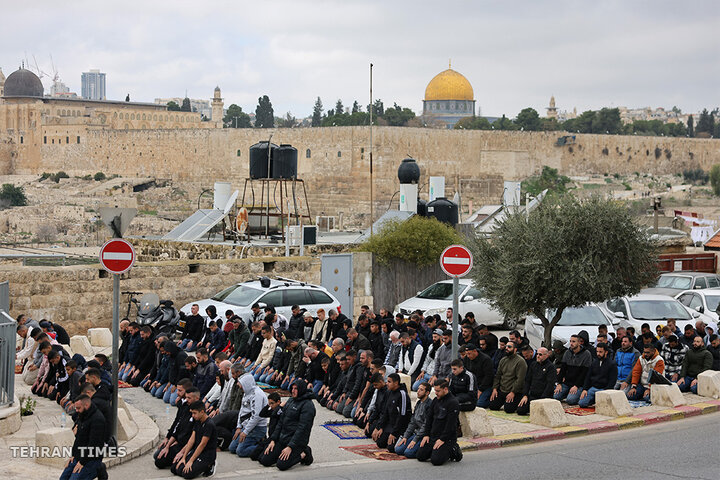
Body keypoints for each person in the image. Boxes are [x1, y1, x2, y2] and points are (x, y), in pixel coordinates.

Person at [258, 380, 316, 470]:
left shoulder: (308, 406)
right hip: (283, 439)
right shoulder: (290, 401)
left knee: (281, 465)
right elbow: (281, 422)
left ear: (301, 389)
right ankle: (284, 453)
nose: (293, 391)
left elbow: (302, 429)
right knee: (264, 460)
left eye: (296, 389)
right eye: (292, 388)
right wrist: (273, 439)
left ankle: (305, 453)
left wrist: (290, 446)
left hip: (296, 443)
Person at [154, 382, 200, 469]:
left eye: (189, 398)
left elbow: (193, 438)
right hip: (179, 442)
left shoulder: (199, 414)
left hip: (188, 446)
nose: (187, 400)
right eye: (186, 398)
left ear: (196, 398)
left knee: (176, 468)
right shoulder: (186, 407)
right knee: (158, 458)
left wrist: (183, 452)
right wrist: (168, 445)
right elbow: (177, 426)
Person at [60, 395, 106, 480]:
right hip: (79, 455)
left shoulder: (97, 420)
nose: (76, 411)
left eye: (78, 408)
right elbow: (79, 439)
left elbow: (93, 445)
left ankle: (99, 468)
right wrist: (73, 455)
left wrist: (82, 462)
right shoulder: (82, 414)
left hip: (92, 458)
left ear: (87, 405)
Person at [416, 380, 462, 465]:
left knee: (436, 461)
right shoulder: (435, 400)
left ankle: (453, 449)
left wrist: (442, 439)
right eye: (435, 390)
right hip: (433, 436)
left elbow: (451, 424)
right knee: (420, 456)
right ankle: (435, 451)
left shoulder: (453, 402)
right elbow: (429, 419)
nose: (436, 393)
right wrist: (426, 435)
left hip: (446, 438)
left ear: (445, 389)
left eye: (438, 391)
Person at [170, 401, 217, 479]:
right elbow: (192, 440)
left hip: (206, 454)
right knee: (175, 469)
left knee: (186, 474)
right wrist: (184, 457)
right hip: (196, 451)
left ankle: (210, 465)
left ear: (202, 412)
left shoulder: (209, 424)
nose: (192, 415)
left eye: (194, 413)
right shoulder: (198, 421)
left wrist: (191, 461)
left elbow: (202, 444)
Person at [229, 374, 269, 457]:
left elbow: (256, 416)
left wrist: (245, 432)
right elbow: (242, 410)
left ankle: (263, 446)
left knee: (241, 451)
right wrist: (239, 426)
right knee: (232, 448)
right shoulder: (246, 392)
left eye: (241, 384)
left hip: (257, 428)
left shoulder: (257, 395)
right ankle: (256, 441)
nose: (239, 386)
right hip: (247, 426)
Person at [373, 373, 411, 451]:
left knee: (391, 448)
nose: (387, 383)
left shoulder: (402, 394)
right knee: (380, 443)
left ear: (396, 383)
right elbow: (385, 411)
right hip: (390, 424)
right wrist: (381, 427)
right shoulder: (389, 392)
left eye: (389, 382)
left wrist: (394, 433)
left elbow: (402, 416)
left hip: (400, 426)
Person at [393, 382, 432, 458]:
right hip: (416, 433)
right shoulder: (418, 403)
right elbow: (413, 422)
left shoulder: (429, 405)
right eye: (418, 389)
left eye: (421, 390)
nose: (418, 391)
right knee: (398, 450)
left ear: (427, 393)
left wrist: (415, 440)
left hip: (424, 435)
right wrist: (405, 437)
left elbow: (426, 425)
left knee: (409, 453)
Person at [488, 341, 527, 413]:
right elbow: (498, 375)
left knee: (509, 409)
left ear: (515, 349)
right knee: (492, 406)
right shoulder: (503, 360)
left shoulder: (520, 361)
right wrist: (495, 389)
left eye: (509, 347)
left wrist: (513, 392)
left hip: (514, 391)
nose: (507, 348)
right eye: (506, 346)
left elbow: (520, 379)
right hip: (502, 390)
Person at [516, 347, 556, 416]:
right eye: (537, 354)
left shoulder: (551, 367)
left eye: (540, 355)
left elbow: (550, 385)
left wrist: (542, 399)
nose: (537, 356)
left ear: (546, 356)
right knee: (520, 410)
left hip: (544, 396)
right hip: (532, 395)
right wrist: (525, 395)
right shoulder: (533, 365)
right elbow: (527, 381)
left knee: (539, 413)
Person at [554, 335, 592, 404]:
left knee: (571, 400)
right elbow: (563, 370)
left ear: (579, 343)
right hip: (567, 383)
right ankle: (567, 393)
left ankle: (575, 394)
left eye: (574, 342)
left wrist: (576, 386)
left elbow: (584, 373)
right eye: (570, 341)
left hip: (579, 384)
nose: (571, 343)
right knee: (555, 396)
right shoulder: (567, 353)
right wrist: (559, 383)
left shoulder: (586, 354)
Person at [578, 343, 617, 408]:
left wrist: (605, 391)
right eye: (597, 351)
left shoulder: (612, 364)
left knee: (602, 407)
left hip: (604, 389)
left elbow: (612, 381)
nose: (598, 354)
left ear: (606, 352)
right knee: (582, 403)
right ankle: (594, 400)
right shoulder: (594, 363)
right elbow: (588, 377)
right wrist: (585, 389)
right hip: (593, 388)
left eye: (600, 352)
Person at [250, 392, 284, 461]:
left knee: (262, 459)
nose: (271, 406)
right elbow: (262, 414)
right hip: (270, 438)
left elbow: (275, 415)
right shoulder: (273, 410)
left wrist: (279, 407)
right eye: (269, 403)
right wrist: (268, 405)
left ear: (278, 402)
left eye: (272, 403)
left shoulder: (282, 411)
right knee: (254, 455)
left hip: (278, 439)